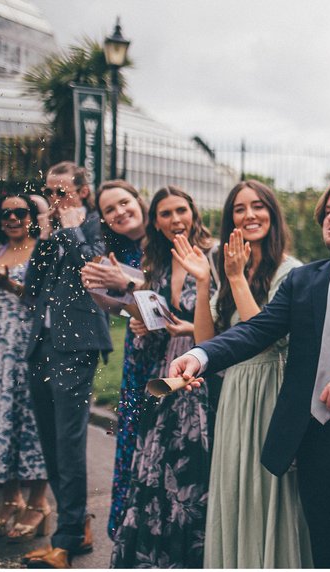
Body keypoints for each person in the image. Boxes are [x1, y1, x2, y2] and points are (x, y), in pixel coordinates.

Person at [170, 178, 330, 568]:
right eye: (327, 210)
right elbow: (255, 330)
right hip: (312, 442)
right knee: (327, 554)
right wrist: (200, 355)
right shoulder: (304, 281)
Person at [172, 180, 311, 567]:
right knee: (236, 486)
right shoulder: (232, 267)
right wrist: (204, 283)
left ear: (272, 213)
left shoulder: (291, 272)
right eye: (239, 208)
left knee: (268, 487)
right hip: (235, 391)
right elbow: (207, 340)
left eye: (258, 206)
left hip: (272, 387)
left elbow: (262, 337)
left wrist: (234, 278)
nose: (249, 215)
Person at [109, 185, 217, 568]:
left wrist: (186, 329)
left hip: (200, 372)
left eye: (181, 211)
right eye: (166, 214)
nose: (176, 220)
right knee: (154, 468)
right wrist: (140, 323)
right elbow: (145, 315)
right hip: (161, 375)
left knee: (189, 468)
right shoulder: (152, 260)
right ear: (155, 221)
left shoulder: (215, 255)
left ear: (194, 212)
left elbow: (229, 326)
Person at [18, 162, 110, 570]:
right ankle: (76, 525)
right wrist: (45, 234)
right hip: (42, 346)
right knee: (51, 441)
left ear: (82, 191)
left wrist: (70, 229)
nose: (55, 200)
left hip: (76, 347)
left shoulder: (95, 225)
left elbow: (92, 269)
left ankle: (67, 539)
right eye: (49, 192)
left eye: (62, 192)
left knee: (69, 443)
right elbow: (32, 287)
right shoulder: (53, 232)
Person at [0, 195, 49, 542]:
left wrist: (12, 286)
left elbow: (46, 300)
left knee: (30, 421)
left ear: (32, 217)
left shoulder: (42, 251)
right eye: (5, 213)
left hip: (28, 344)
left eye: (19, 212)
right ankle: (10, 499)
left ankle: (38, 503)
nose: (12, 218)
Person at [79, 180, 148, 539]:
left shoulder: (166, 239)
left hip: (174, 355)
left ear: (139, 200)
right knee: (133, 443)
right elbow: (124, 311)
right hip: (138, 357)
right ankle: (131, 533)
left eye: (124, 203)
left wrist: (126, 282)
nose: (120, 212)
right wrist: (100, 292)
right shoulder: (116, 253)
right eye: (110, 210)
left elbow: (169, 296)